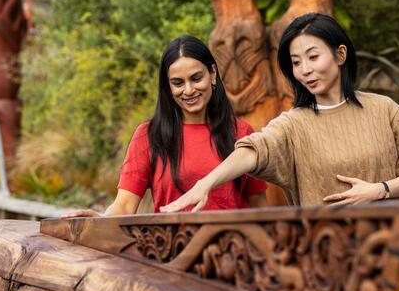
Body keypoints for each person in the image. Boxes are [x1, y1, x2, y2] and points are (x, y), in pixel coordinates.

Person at [160, 13, 399, 212]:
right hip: (324, 263)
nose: (305, 70)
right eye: (296, 63)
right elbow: (254, 150)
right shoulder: (293, 125)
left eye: (313, 57)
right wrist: (205, 184)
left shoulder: (385, 110)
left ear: (341, 55)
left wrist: (379, 190)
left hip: (390, 255)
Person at [64, 35, 267, 217]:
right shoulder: (149, 135)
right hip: (169, 253)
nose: (188, 90)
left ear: (212, 73)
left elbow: (259, 206)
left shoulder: (241, 132)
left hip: (232, 252)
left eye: (196, 78)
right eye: (178, 83)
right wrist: (98, 221)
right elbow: (125, 206)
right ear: (168, 86)